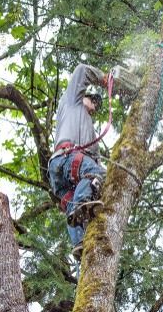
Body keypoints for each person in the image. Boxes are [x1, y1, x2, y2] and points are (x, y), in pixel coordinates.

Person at [48, 63, 109, 261]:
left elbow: (96, 162)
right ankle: (82, 202)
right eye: (93, 102)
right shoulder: (72, 101)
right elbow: (81, 70)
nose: (94, 107)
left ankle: (79, 242)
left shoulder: (87, 125)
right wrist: (103, 78)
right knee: (94, 174)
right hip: (67, 158)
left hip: (61, 175)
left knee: (73, 203)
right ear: (85, 97)